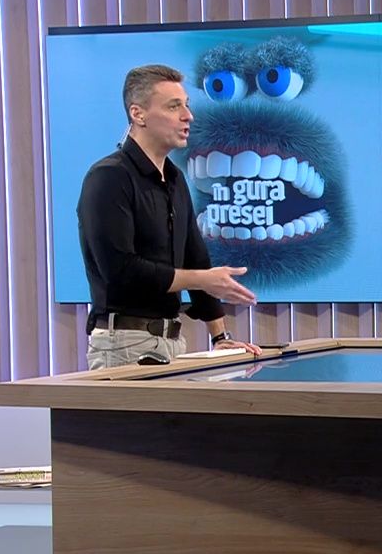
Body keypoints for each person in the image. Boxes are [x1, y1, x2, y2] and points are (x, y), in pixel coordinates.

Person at [78, 64, 263, 370]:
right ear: (138, 114)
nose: (188, 116)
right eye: (174, 106)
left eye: (186, 105)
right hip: (123, 344)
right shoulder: (109, 178)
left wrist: (220, 337)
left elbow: (195, 258)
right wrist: (202, 279)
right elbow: (121, 271)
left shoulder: (175, 179)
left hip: (172, 342)